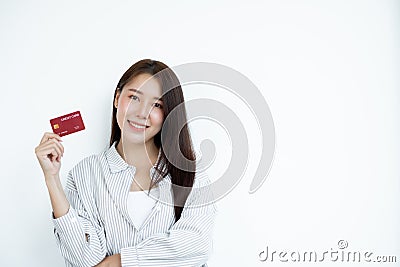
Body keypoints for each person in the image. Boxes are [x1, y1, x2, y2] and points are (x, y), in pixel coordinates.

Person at [35, 59, 217, 267]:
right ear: (117, 98)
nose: (141, 113)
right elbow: (84, 258)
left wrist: (122, 261)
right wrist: (52, 179)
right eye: (134, 97)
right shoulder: (85, 174)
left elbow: (197, 245)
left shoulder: (191, 173)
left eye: (157, 105)